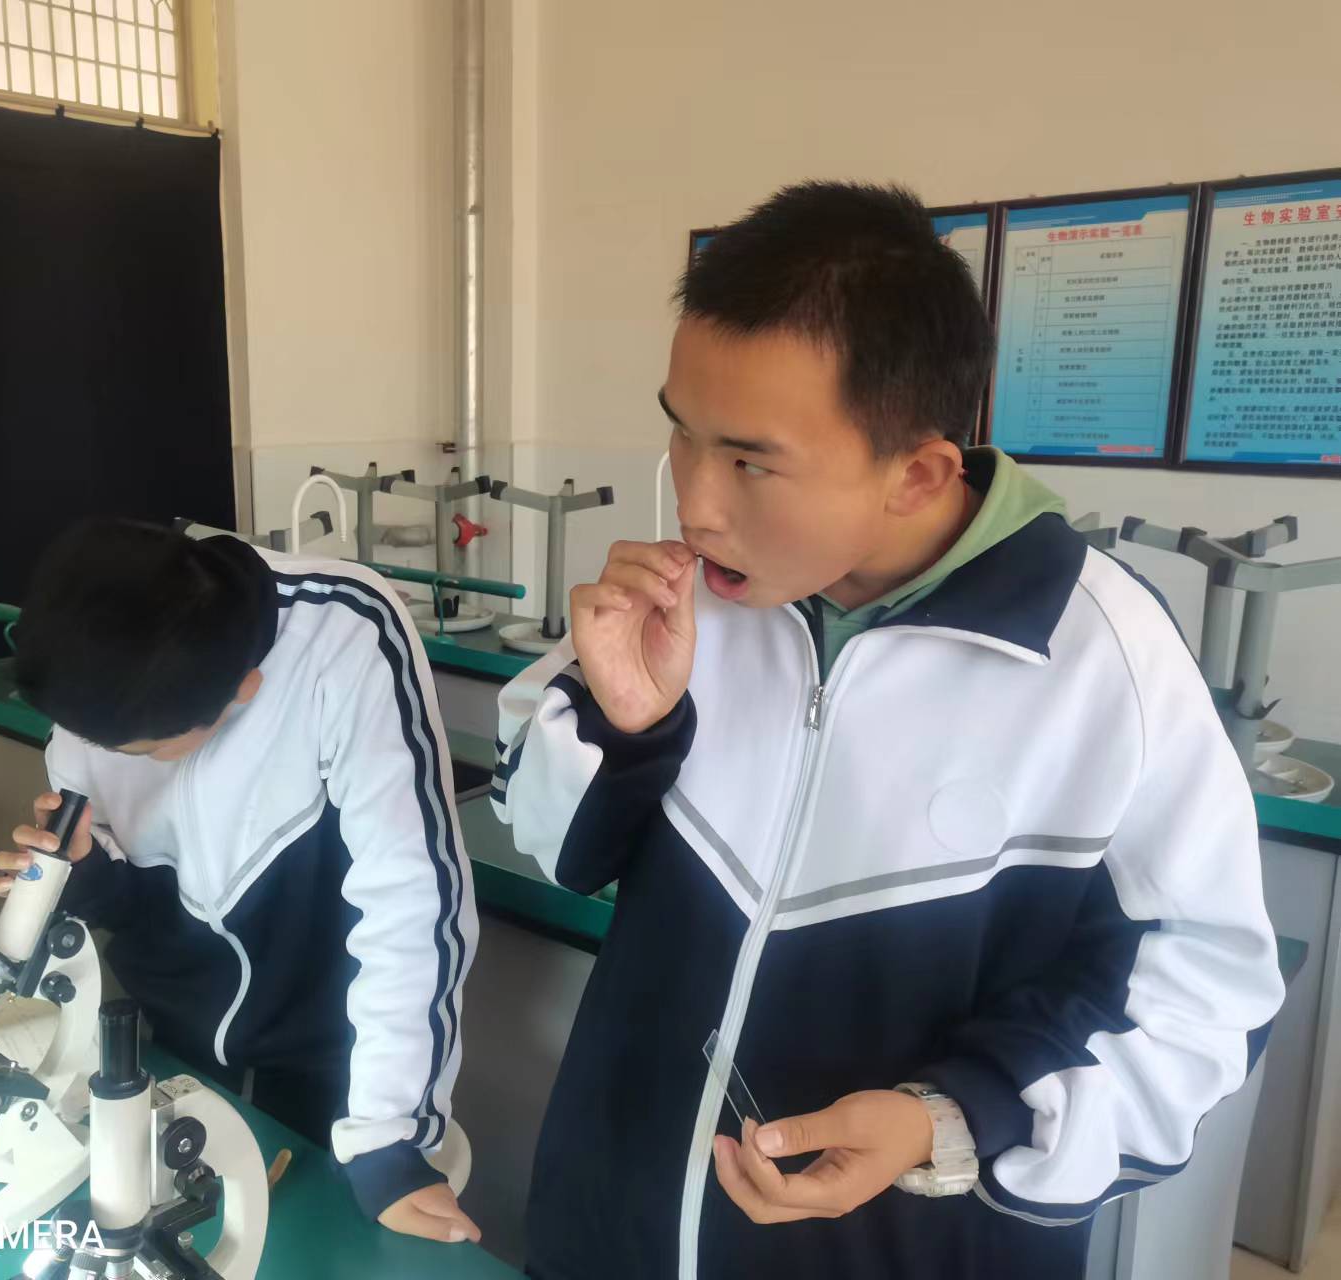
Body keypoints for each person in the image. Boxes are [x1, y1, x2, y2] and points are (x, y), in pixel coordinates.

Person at [491, 181, 1284, 1279]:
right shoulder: (685, 605)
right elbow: (549, 844)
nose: (696, 504)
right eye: (681, 433)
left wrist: (949, 1120)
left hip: (905, 1247)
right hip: (611, 1224)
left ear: (916, 473)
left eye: (750, 461)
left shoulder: (1100, 657)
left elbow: (1206, 996)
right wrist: (627, 726)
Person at [0, 519, 480, 1244]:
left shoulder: (344, 633)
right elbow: (137, 893)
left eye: (143, 752)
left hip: (333, 1068)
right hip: (174, 1050)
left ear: (244, 692)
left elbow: (411, 900)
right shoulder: (108, 637)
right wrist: (84, 875)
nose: (106, 760)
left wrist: (386, 1135)